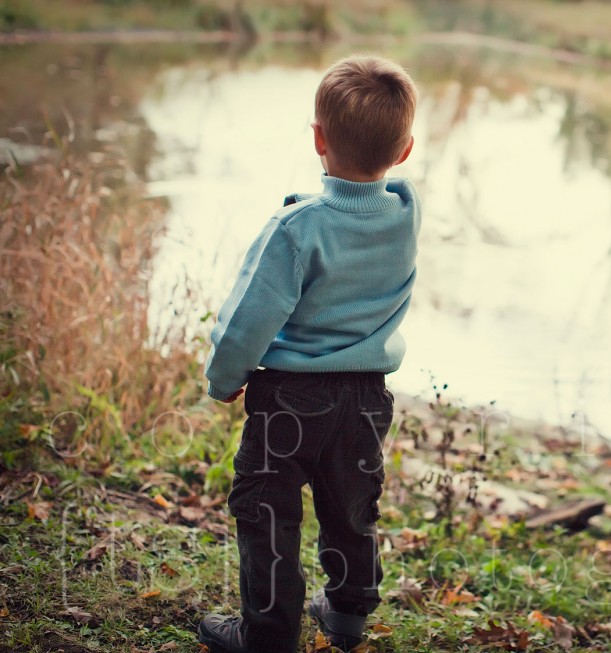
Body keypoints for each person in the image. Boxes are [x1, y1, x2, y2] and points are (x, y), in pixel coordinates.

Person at [197, 55, 419, 653]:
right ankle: (348, 614)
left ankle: (266, 635)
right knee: (351, 509)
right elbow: (386, 187)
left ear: (318, 138)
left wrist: (224, 379)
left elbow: (248, 318)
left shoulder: (296, 229)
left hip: (291, 401)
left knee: (267, 514)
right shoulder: (404, 213)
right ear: (404, 152)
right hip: (368, 399)